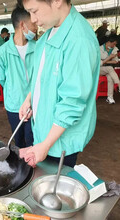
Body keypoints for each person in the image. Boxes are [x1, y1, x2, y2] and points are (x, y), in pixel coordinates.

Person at [17, 0, 100, 168]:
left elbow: (72, 101)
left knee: (52, 186)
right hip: (43, 130)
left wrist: (46, 144)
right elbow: (42, 77)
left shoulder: (78, 40)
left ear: (56, 1)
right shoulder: (48, 35)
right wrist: (30, 98)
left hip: (59, 141)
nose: (32, 19)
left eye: (35, 11)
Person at [0, 5, 37, 148]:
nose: (36, 26)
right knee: (18, 140)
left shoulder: (37, 48)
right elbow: (1, 78)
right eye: (33, 23)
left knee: (33, 140)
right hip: (14, 105)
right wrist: (14, 89)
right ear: (22, 25)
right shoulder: (3, 52)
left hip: (35, 104)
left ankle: (33, 169)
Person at [100, 35, 120, 104]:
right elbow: (99, 63)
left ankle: (110, 97)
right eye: (113, 43)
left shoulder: (114, 49)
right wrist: (109, 58)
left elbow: (116, 60)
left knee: (110, 77)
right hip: (99, 69)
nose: (114, 45)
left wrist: (106, 61)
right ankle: (118, 84)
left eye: (115, 44)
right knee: (110, 68)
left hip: (108, 70)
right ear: (109, 42)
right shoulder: (100, 49)